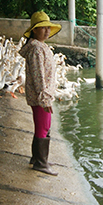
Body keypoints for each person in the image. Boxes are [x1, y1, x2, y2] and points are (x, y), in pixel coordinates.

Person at [19, 11, 62, 176]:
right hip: (40, 96)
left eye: (48, 28)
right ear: (34, 30)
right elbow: (38, 76)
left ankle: (37, 158)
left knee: (43, 126)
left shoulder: (40, 46)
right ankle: (41, 163)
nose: (46, 31)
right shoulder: (36, 49)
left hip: (41, 95)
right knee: (43, 127)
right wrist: (44, 98)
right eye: (42, 28)